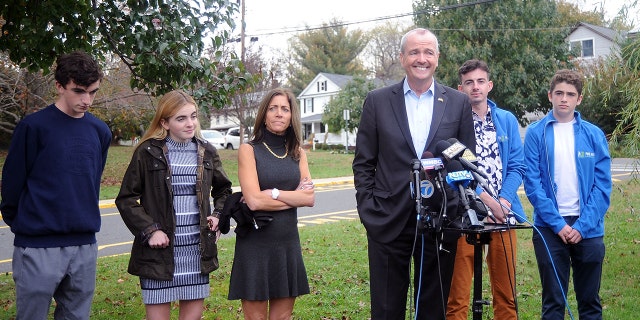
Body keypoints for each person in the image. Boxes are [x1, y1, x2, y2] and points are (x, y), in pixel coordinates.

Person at [352, 28, 476, 320]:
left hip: (440, 219)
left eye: (428, 52)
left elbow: (467, 159)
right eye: (414, 52)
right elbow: (363, 163)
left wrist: (454, 210)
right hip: (387, 217)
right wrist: (369, 208)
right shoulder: (378, 100)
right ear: (402, 58)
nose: (422, 59)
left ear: (437, 58)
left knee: (433, 309)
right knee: (386, 308)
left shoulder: (458, 102)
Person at [0, 51, 111, 319]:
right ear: (60, 86)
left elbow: (91, 182)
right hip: (38, 245)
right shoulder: (33, 127)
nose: (86, 100)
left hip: (84, 245)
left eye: (93, 92)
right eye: (79, 91)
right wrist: (26, 226)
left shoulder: (100, 131)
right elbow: (12, 185)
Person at [115, 90, 232, 320]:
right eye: (181, 118)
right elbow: (126, 198)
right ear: (164, 122)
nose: (190, 124)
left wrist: (218, 215)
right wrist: (150, 230)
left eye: (193, 116)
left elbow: (224, 190)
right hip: (159, 255)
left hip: (196, 253)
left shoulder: (207, 151)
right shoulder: (147, 152)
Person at [524, 69, 611, 319]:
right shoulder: (535, 133)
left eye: (570, 94)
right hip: (550, 229)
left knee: (590, 301)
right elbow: (533, 183)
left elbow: (603, 187)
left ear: (579, 99)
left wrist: (582, 227)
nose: (564, 99)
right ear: (550, 96)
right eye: (559, 93)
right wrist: (558, 224)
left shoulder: (593, 135)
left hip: (589, 229)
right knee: (553, 302)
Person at [446, 59, 526, 320]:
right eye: (469, 83)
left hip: (504, 214)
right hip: (466, 213)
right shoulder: (454, 122)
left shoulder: (506, 119)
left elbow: (516, 165)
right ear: (461, 88)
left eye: (480, 81)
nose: (475, 87)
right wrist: (487, 203)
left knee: (506, 296)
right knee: (457, 298)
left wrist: (503, 201)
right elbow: (457, 170)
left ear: (489, 85)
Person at [227, 88, 315, 320]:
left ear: (291, 115)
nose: (278, 114)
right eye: (272, 108)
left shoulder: (298, 153)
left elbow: (309, 198)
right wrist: (293, 197)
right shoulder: (249, 150)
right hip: (255, 245)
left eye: (284, 109)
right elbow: (254, 201)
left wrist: (274, 194)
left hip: (287, 244)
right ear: (264, 114)